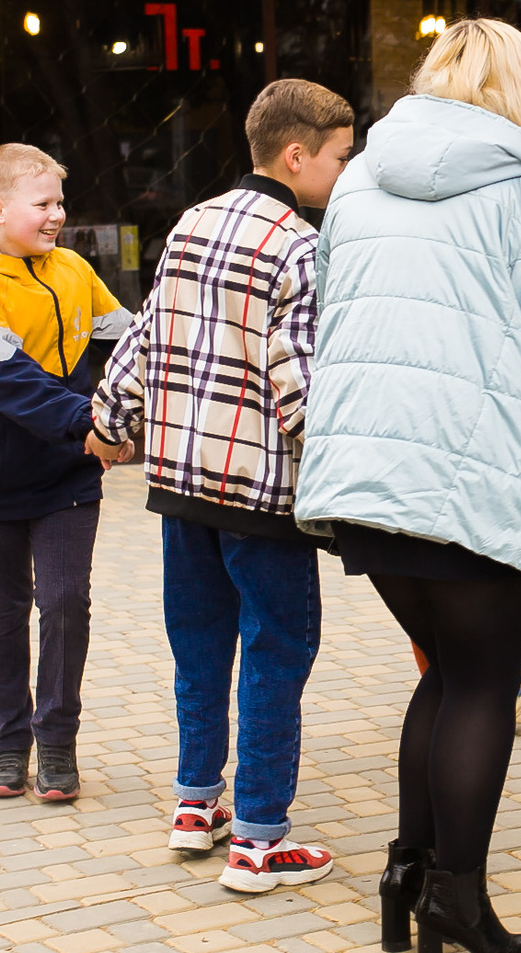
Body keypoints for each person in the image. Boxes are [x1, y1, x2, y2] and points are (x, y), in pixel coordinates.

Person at [296, 18, 521, 953]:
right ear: (520, 87)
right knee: (482, 681)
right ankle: (457, 899)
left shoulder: (359, 178)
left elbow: (334, 301)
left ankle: (409, 875)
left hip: (365, 469)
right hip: (473, 469)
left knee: (442, 675)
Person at [91, 80, 357, 895]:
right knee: (277, 650)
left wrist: (110, 418)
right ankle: (260, 838)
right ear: (297, 155)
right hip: (261, 493)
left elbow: (148, 330)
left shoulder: (191, 222)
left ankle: (194, 801)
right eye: (342, 157)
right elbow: (300, 383)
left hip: (180, 481)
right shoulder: (298, 247)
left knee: (199, 646)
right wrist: (342, 478)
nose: (347, 174)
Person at [0, 143, 134, 805]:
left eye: (60, 202)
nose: (57, 215)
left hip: (68, 478)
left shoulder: (76, 269)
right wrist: (94, 422)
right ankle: (7, 743)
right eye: (43, 203)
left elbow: (129, 341)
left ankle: (57, 743)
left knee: (63, 603)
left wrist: (128, 411)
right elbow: (9, 383)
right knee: (2, 614)